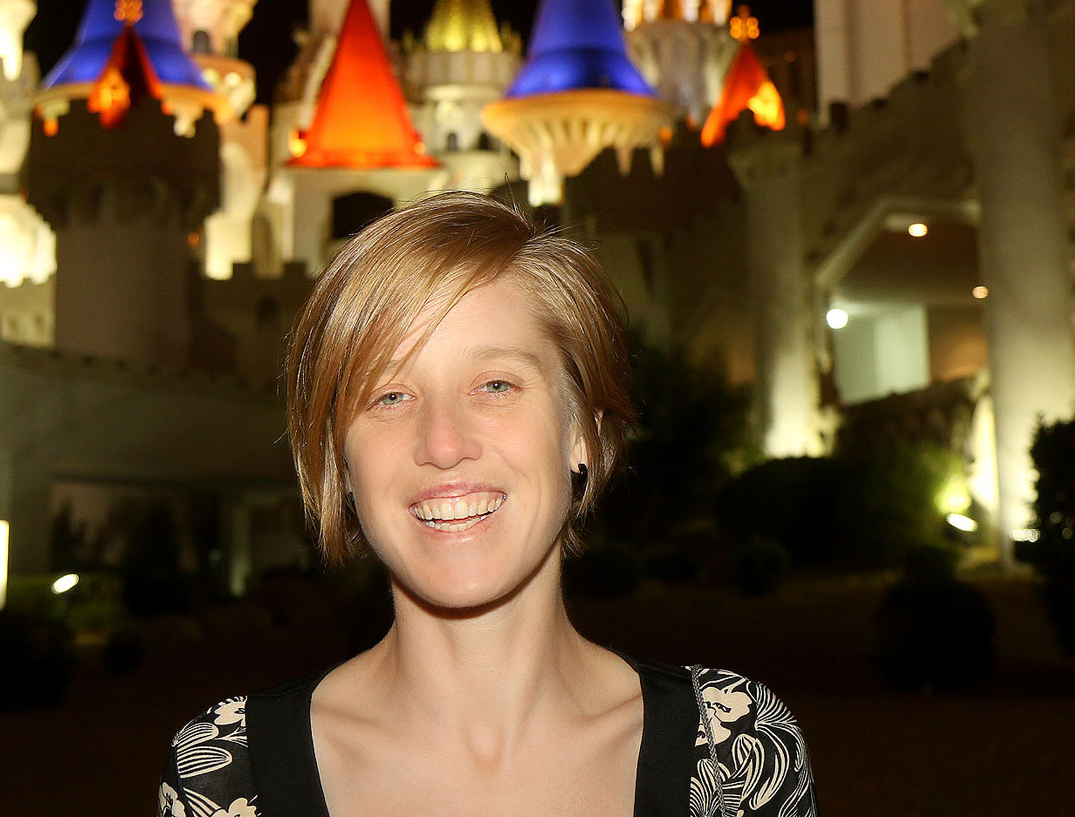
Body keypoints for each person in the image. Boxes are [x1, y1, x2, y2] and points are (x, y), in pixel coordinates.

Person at [158, 192, 817, 817]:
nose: (443, 444)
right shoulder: (226, 776)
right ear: (344, 465)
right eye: (389, 396)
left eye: (495, 384)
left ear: (581, 432)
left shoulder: (737, 753)